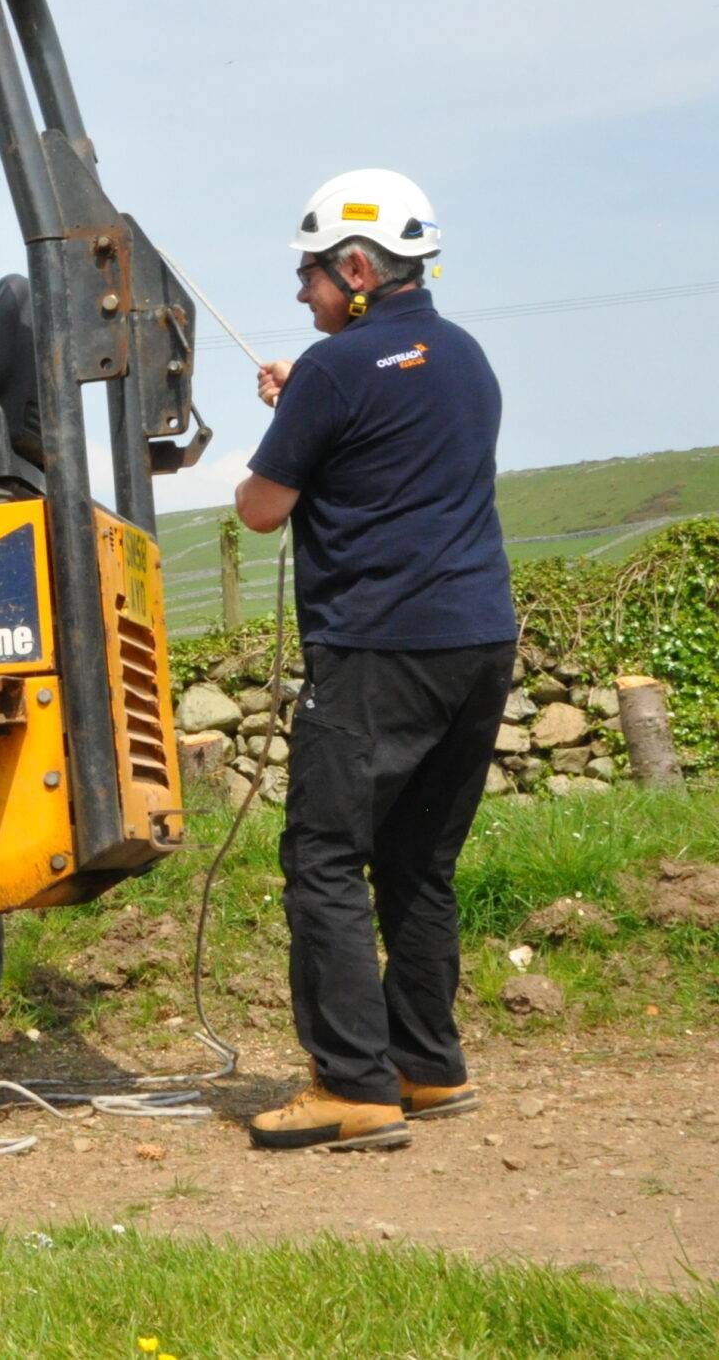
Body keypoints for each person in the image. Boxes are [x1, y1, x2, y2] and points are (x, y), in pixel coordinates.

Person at [232, 170, 515, 1153]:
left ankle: (351, 1084)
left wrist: (292, 414)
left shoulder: (334, 371)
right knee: (418, 863)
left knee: (321, 856)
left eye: (309, 272)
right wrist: (302, 406)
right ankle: (425, 1065)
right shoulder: (467, 356)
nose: (302, 291)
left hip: (375, 646)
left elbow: (261, 505)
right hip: (479, 637)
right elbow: (389, 451)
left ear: (355, 267)